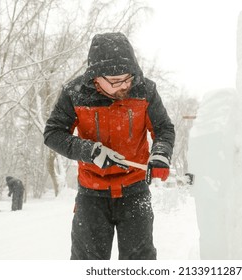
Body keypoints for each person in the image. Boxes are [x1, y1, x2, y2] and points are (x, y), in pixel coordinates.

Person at [43, 32, 175, 260]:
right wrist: (90, 151)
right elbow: (53, 133)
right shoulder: (74, 94)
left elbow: (163, 128)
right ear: (96, 76)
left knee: (140, 264)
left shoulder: (146, 90)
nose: (124, 86)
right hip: (91, 194)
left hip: (135, 191)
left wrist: (160, 155)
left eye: (128, 79)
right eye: (115, 82)